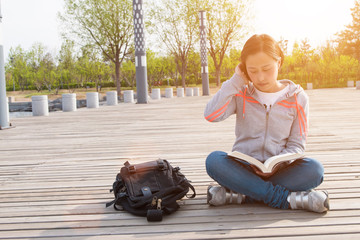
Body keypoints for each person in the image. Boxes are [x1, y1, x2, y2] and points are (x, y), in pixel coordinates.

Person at [204, 34, 329, 213]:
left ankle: (243, 194)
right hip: (244, 168)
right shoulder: (241, 93)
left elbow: (297, 145)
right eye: (252, 71)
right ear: (244, 69)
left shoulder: (298, 98)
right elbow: (211, 115)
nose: (260, 77)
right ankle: (284, 199)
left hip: (280, 170)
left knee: (315, 169)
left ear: (278, 63)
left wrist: (276, 163)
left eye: (266, 68)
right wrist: (235, 81)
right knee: (214, 161)